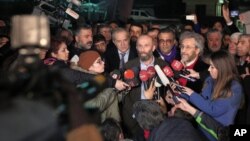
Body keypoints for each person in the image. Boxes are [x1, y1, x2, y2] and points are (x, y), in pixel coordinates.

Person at [176, 50, 244, 141]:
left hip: (218, 134)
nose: (208, 69)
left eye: (212, 67)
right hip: (202, 129)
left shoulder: (234, 88)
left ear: (222, 68)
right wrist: (179, 93)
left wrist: (191, 93)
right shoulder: (211, 80)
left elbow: (213, 109)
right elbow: (202, 100)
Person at [121, 34, 168, 139]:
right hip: (133, 116)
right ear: (136, 47)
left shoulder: (163, 65)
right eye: (140, 46)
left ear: (153, 47)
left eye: (146, 45)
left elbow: (166, 92)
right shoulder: (128, 66)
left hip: (156, 116)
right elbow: (124, 93)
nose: (142, 49)